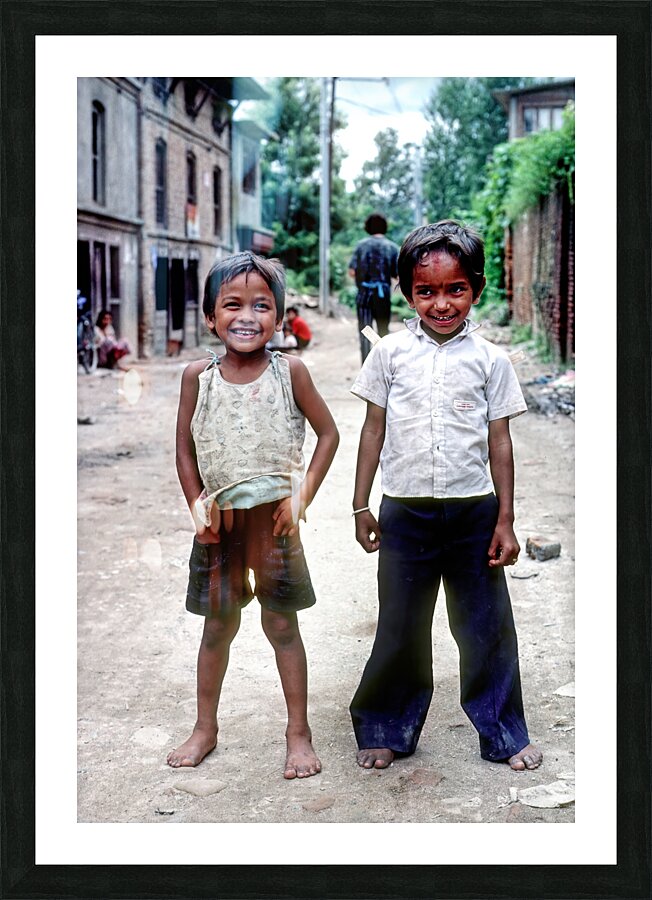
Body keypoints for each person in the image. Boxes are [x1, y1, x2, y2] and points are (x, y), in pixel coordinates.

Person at [348, 220, 542, 773]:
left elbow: (499, 441)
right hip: (404, 512)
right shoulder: (387, 354)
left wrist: (505, 519)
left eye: (455, 289)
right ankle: (386, 724)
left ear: (476, 288)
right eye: (426, 291)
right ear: (407, 292)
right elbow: (371, 431)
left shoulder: (490, 360)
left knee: (485, 627)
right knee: (400, 626)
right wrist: (362, 503)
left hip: (473, 512)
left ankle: (503, 730)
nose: (440, 303)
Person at [168, 251, 339, 778]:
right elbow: (183, 449)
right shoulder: (199, 376)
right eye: (232, 305)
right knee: (217, 627)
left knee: (281, 624)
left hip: (275, 523)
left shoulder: (293, 373)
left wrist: (301, 496)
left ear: (280, 317)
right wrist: (198, 504)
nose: (247, 316)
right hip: (219, 526)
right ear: (210, 316)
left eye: (261, 305)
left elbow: (329, 434)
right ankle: (205, 728)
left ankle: (298, 733)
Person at [348, 213, 399, 363]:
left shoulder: (360, 246)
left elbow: (352, 271)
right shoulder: (392, 247)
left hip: (364, 294)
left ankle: (367, 366)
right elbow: (397, 276)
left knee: (366, 331)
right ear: (384, 228)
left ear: (368, 228)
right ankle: (384, 364)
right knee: (383, 331)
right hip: (382, 295)